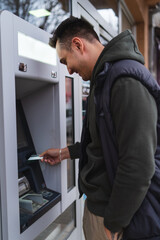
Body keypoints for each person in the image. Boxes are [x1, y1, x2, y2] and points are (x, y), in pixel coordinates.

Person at [40, 17, 160, 240]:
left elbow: (138, 164)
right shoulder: (104, 78)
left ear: (78, 44)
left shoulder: (124, 80)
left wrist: (114, 223)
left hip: (115, 216)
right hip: (104, 208)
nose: (69, 69)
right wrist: (64, 153)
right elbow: (102, 140)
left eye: (66, 61)